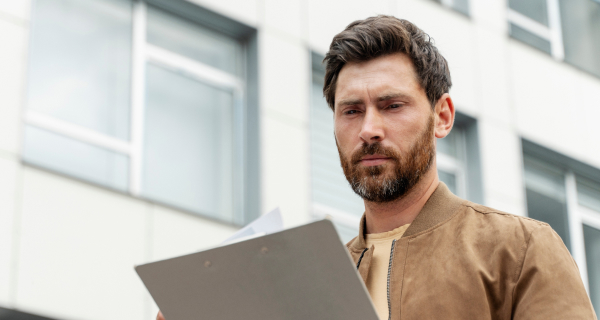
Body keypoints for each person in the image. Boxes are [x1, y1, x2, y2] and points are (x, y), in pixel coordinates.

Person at [158, 15, 597, 320]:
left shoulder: (518, 250)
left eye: (392, 106)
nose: (369, 129)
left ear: (442, 116)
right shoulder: (308, 282)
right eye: (351, 111)